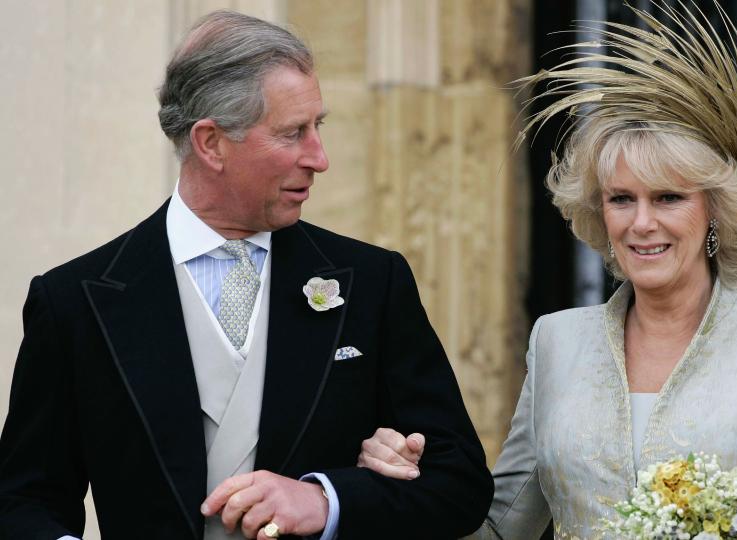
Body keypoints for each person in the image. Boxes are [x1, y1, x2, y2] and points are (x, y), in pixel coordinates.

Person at [357, 4, 737, 539]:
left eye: (669, 197)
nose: (642, 223)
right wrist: (404, 490)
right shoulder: (557, 340)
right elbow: (501, 526)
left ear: (715, 209)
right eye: (621, 199)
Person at [0, 10, 492, 540]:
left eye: (318, 127)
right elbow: (23, 500)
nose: (319, 158)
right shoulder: (74, 301)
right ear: (211, 143)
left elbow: (460, 484)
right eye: (293, 133)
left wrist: (326, 500)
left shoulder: (373, 282)